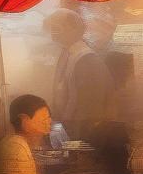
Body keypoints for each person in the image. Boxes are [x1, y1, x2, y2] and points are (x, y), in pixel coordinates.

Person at [46, 8, 113, 140]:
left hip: (81, 131)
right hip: (66, 127)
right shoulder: (66, 53)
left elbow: (89, 108)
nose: (52, 35)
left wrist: (75, 134)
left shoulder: (87, 59)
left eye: (57, 29)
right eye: (51, 29)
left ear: (73, 29)